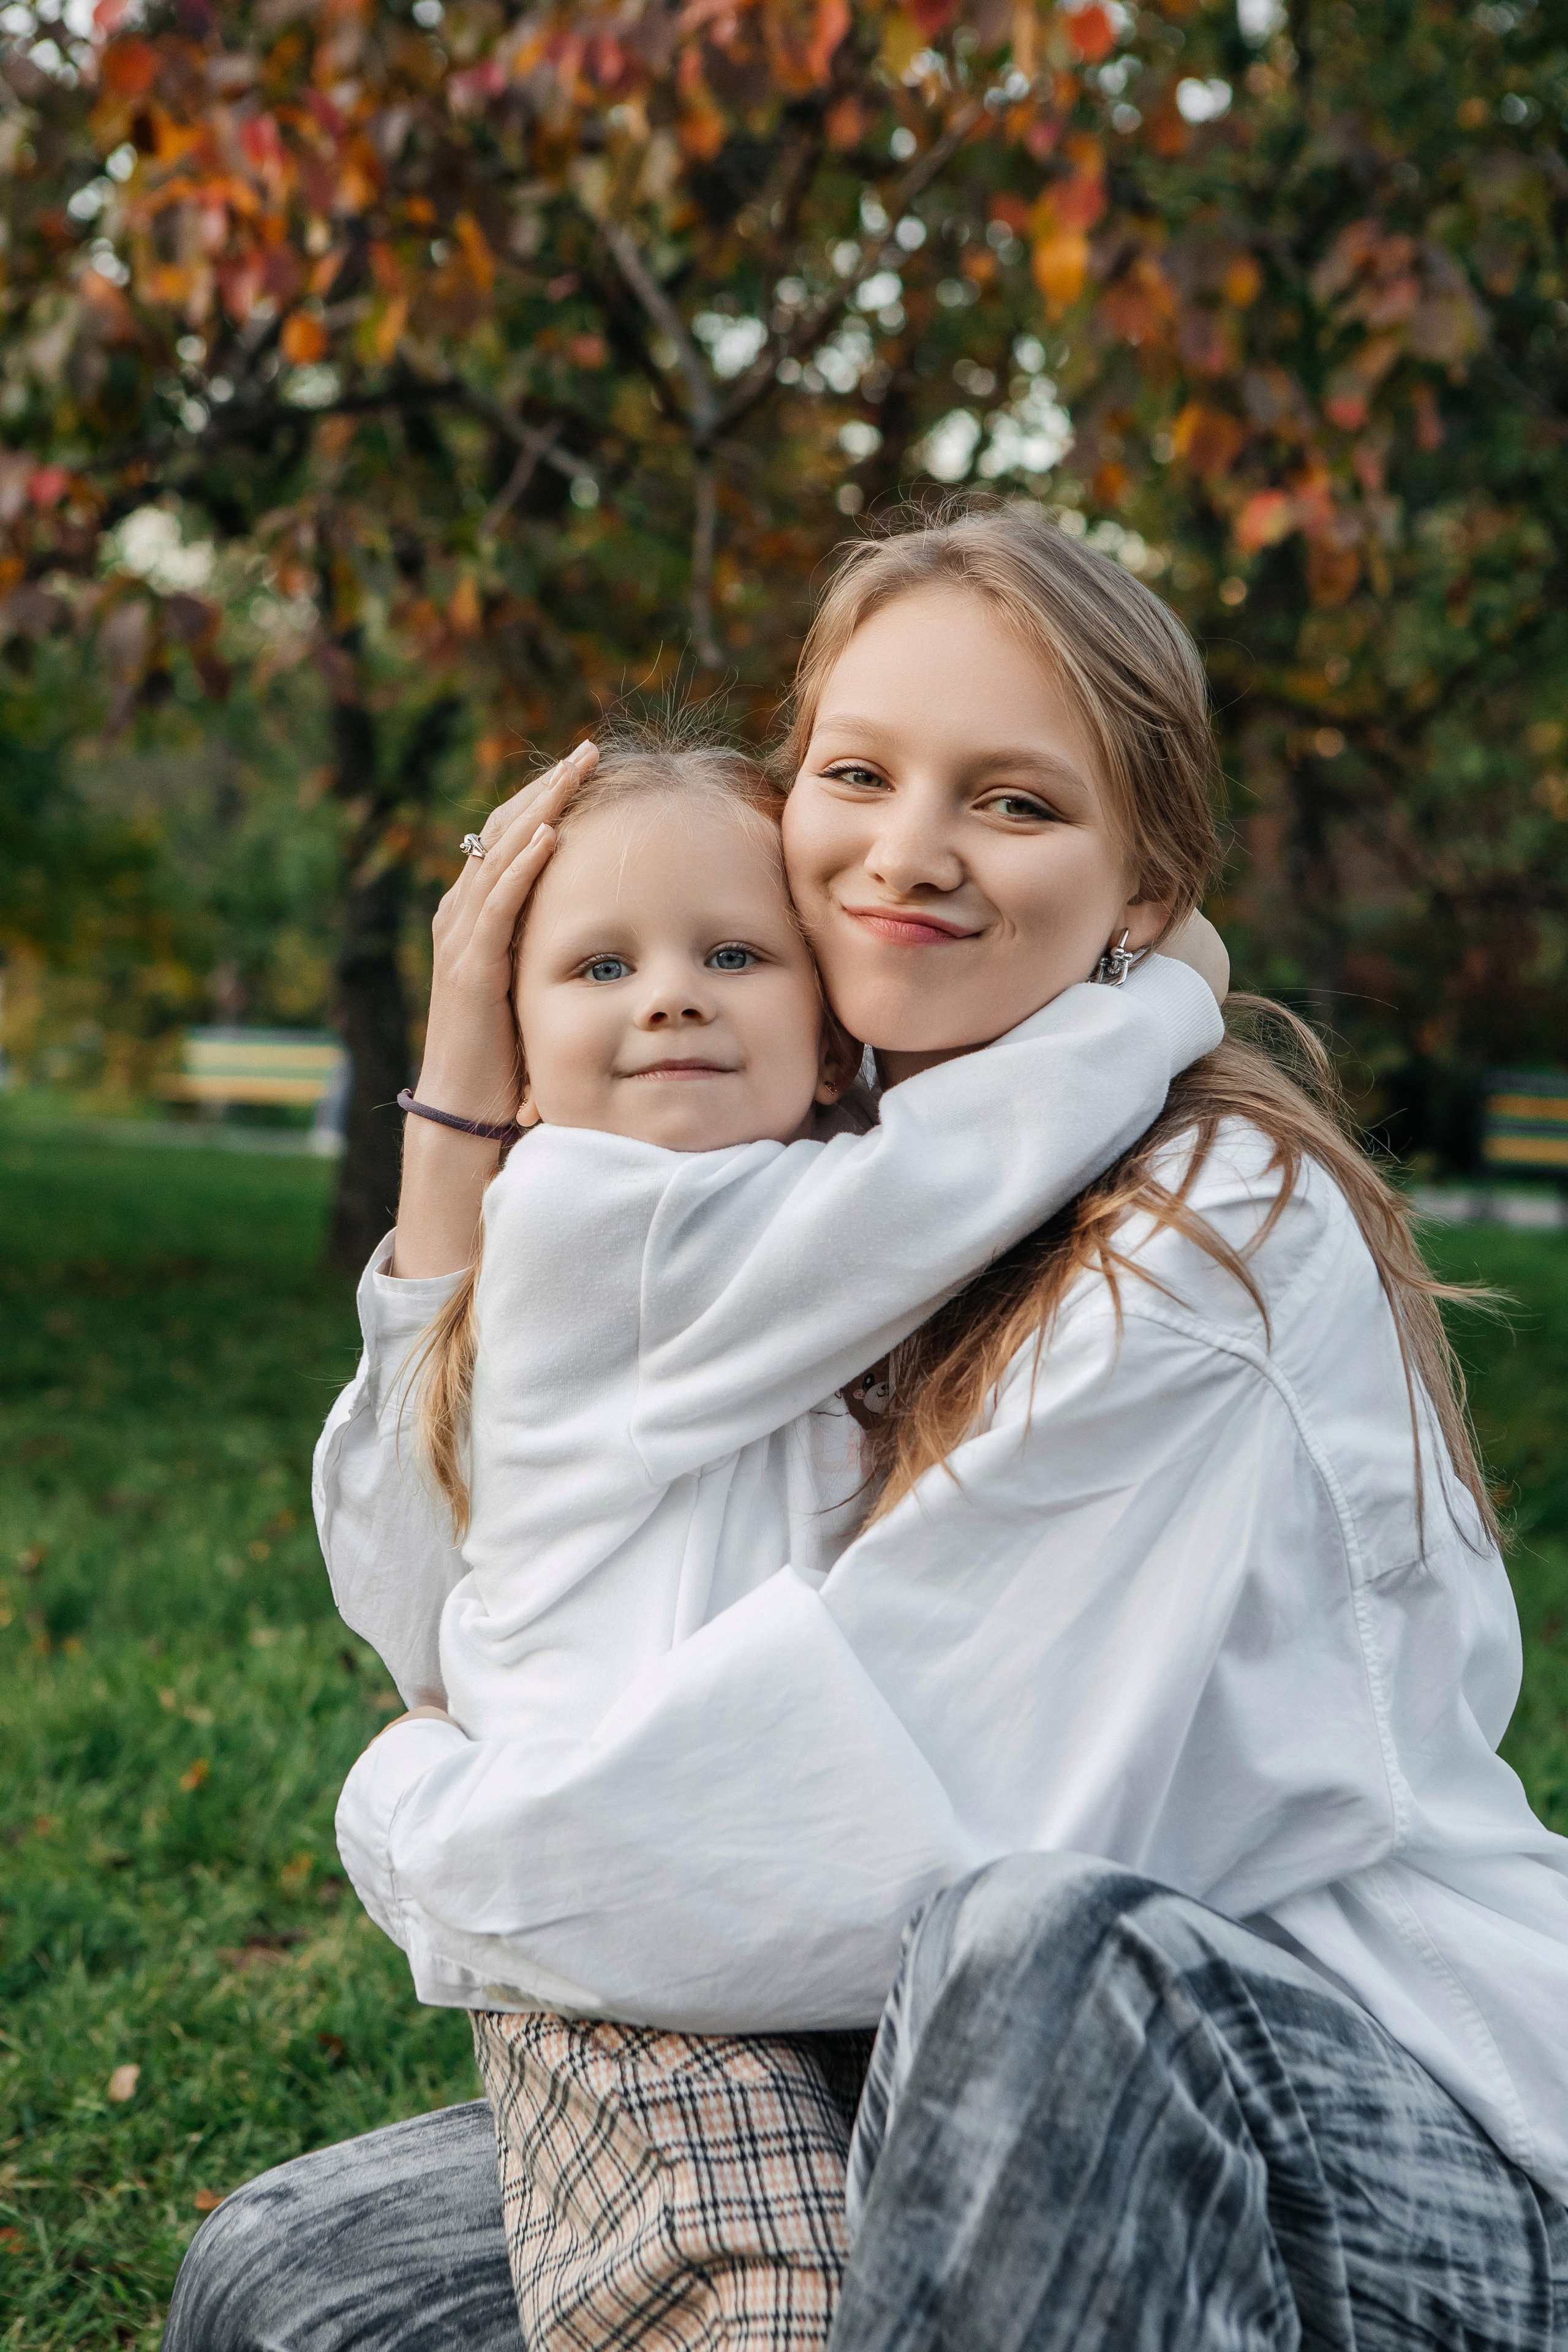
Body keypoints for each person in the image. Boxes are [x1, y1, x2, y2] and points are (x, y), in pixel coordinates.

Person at [164, 505, 1568, 2352]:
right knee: (301, 2277)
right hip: (903, 2062)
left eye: (1016, 802)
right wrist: (462, 1107)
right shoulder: (815, 1181)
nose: (911, 854)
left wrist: (419, 1811)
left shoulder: (1213, 1227)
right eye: (857, 773)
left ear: (1147, 894)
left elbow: (884, 1819)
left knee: (1034, 1958)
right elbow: (443, 1597)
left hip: (1372, 2122)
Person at [337, 730, 1220, 2346]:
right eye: (599, 963)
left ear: (828, 1047)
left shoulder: (752, 1244)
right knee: (745, 2292)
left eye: (733, 954)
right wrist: (1164, 981)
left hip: (735, 1891)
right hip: (623, 1943)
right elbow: (966, 1166)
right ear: (520, 1067)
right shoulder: (613, 1225)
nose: (669, 994)